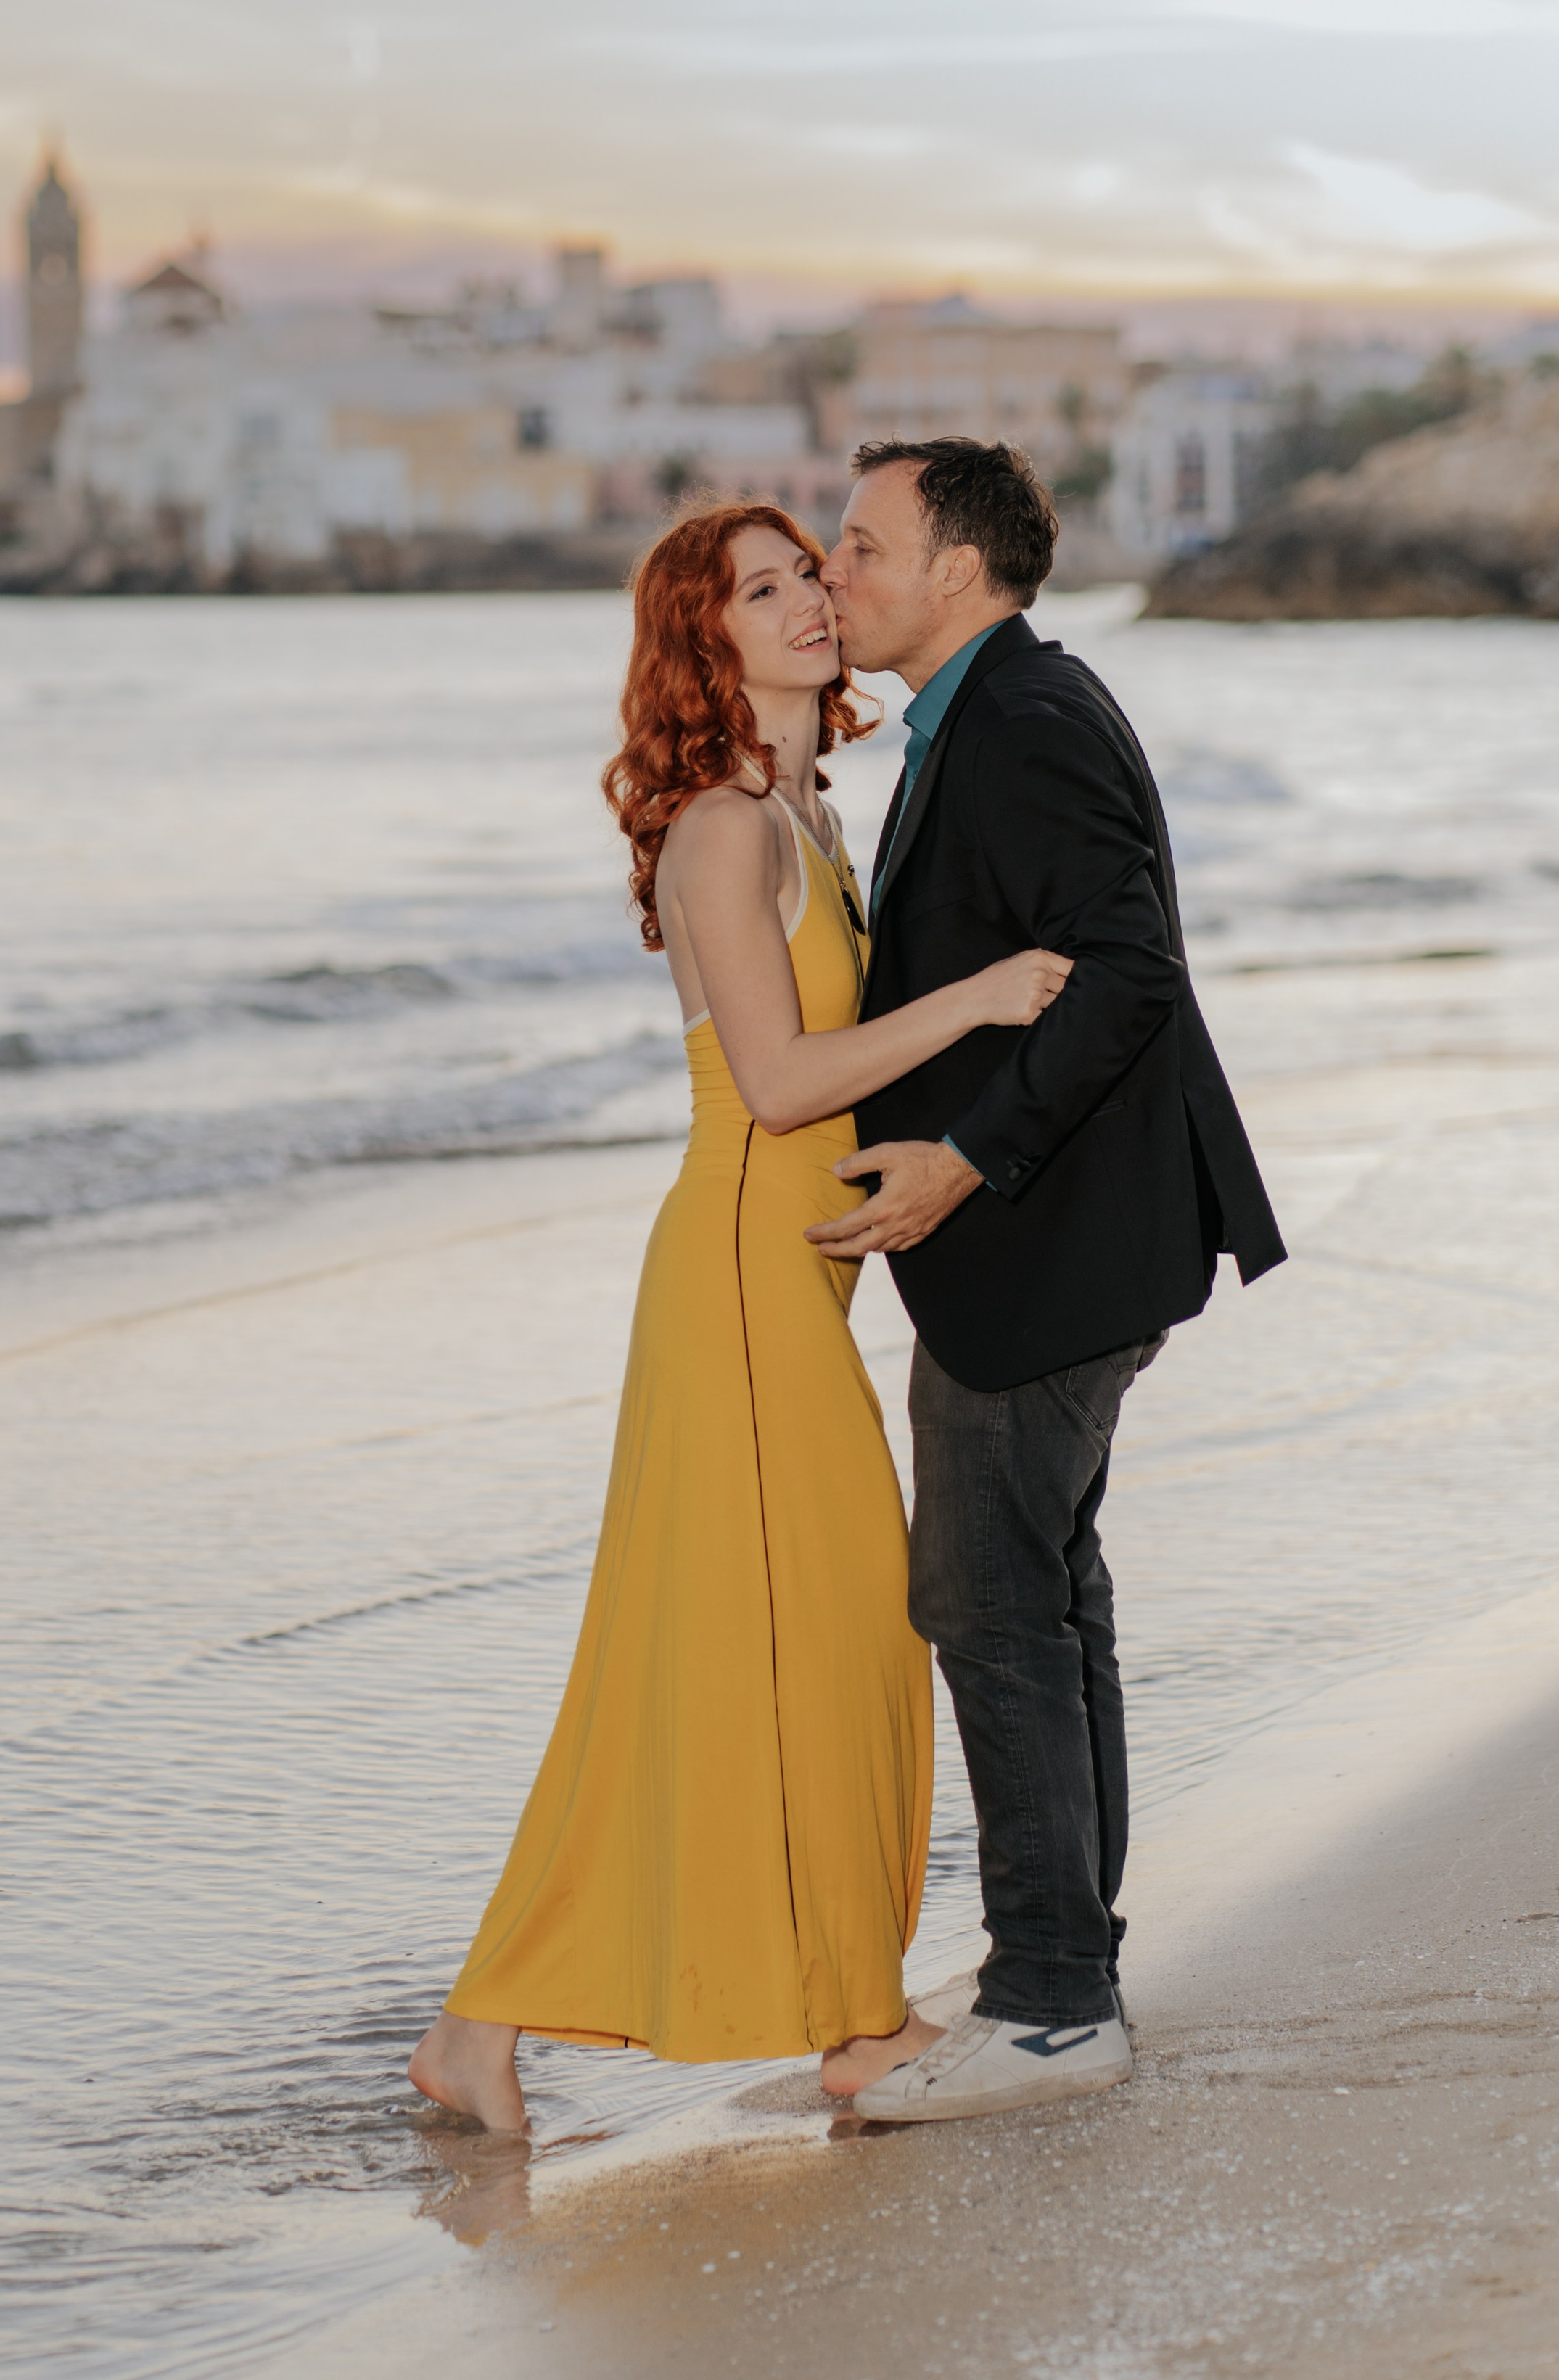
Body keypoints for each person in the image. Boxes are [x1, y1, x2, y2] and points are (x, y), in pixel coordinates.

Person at [407, 502, 1073, 2132]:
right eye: (759, 590)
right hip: (732, 1290)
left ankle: (573, 2023)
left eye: (806, 576)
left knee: (776, 1644)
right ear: (701, 641)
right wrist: (981, 996)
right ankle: (797, 2024)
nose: (805, 603)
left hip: (791, 1288)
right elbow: (776, 1088)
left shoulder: (812, 817)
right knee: (781, 1641)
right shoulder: (723, 829)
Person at [806, 437, 1286, 2124]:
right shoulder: (985, 711)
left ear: (955, 569)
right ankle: (1061, 1968)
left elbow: (1128, 969)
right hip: (1059, 1236)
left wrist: (964, 1157)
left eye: (859, 542)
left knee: (987, 1602)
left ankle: (1050, 2003)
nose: (831, 568)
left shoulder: (1017, 720)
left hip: (1050, 1236)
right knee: (1039, 1594)